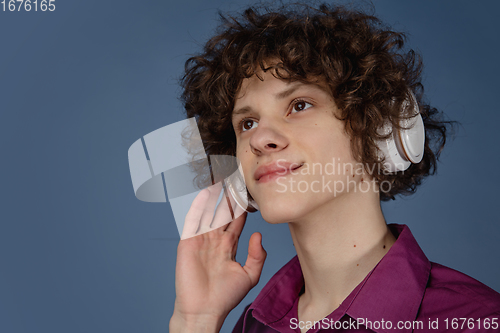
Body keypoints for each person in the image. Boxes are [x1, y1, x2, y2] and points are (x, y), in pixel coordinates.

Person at [169, 3, 500, 332]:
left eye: (299, 105)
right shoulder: (253, 325)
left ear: (380, 127)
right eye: (248, 122)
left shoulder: (478, 321)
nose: (260, 139)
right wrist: (195, 321)